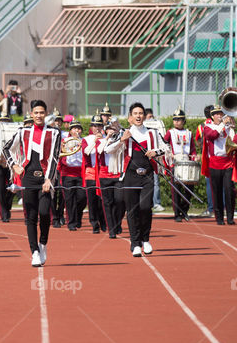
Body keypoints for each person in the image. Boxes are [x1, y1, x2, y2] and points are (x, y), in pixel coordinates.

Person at [106, 103, 167, 257]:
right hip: (130, 176)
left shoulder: (153, 133)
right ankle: (135, 243)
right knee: (132, 210)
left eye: (141, 113)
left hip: (147, 175)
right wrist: (122, 140)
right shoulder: (125, 133)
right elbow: (108, 149)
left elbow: (166, 147)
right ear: (130, 118)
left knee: (146, 207)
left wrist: (156, 152)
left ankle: (145, 239)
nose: (138, 116)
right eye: (135, 113)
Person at [9, 100, 61, 267]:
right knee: (30, 217)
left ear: (46, 114)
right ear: (31, 114)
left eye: (41, 112)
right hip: (28, 178)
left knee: (45, 212)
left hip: (45, 178)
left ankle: (43, 243)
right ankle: (35, 252)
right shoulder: (23, 131)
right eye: (36, 113)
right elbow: (6, 148)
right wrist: (14, 165)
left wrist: (49, 179)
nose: (39, 115)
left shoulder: (54, 133)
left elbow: (54, 158)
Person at [201, 104, 237, 225]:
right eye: (217, 114)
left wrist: (231, 127)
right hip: (214, 163)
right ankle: (219, 217)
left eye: (221, 113)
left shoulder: (228, 127)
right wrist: (223, 125)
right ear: (212, 116)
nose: (220, 116)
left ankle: (230, 217)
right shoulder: (207, 127)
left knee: (229, 190)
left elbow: (234, 140)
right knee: (216, 191)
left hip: (227, 162)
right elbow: (212, 136)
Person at [164, 108, 197, 222]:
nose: (177, 122)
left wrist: (195, 155)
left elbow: (192, 148)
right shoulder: (170, 132)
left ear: (184, 121)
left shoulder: (189, 133)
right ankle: (177, 213)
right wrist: (169, 154)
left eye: (180, 119)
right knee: (176, 189)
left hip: (187, 162)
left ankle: (185, 210)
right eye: (175, 119)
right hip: (175, 162)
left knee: (189, 188)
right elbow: (164, 145)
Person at [59, 120, 86, 230]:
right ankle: (71, 222)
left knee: (82, 198)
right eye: (74, 128)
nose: (77, 130)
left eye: (79, 128)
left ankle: (78, 217)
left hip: (80, 173)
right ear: (70, 130)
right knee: (69, 199)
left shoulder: (84, 141)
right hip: (68, 173)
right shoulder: (64, 141)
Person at [82, 113, 105, 233]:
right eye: (95, 125)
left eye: (99, 125)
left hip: (103, 172)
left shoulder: (107, 137)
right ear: (91, 127)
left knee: (103, 199)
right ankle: (94, 222)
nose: (97, 128)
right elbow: (85, 152)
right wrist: (95, 141)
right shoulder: (86, 139)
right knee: (92, 200)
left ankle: (104, 222)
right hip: (91, 171)